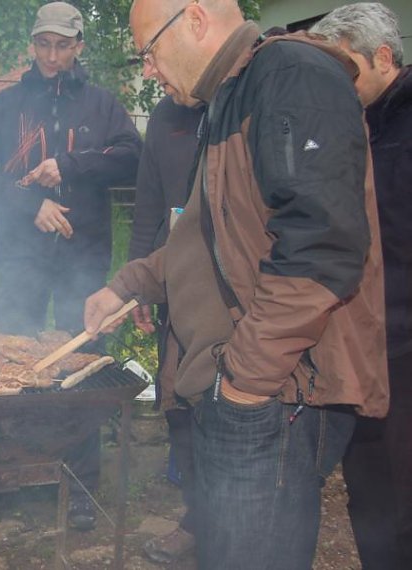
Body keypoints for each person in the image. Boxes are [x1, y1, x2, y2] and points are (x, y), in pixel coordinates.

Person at [85, 1, 388, 568]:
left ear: (194, 19)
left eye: (148, 50)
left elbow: (323, 245)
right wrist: (127, 286)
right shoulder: (227, 97)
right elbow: (201, 237)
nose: (147, 68)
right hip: (243, 391)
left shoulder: (289, 76)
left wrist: (245, 381)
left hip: (276, 396)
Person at [0, 1, 142, 534]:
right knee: (6, 364)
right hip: (20, 254)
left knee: (81, 365)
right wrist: (28, 204)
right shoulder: (7, 105)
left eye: (63, 45)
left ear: (79, 47)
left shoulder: (102, 105)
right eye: (44, 44)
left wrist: (70, 164)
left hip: (83, 258)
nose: (53, 55)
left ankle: (79, 481)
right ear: (32, 45)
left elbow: (133, 155)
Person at [311, 5, 412, 569]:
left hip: (406, 339)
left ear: (381, 57)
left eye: (346, 68)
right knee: (370, 488)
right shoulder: (354, 119)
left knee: (403, 495)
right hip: (365, 340)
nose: (339, 84)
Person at [127, 95, 202, 564]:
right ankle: (197, 517)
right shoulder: (165, 115)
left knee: (218, 406)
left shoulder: (237, 99)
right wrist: (139, 281)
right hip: (171, 277)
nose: (153, 72)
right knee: (174, 399)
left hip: (229, 287)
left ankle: (223, 520)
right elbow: (148, 202)